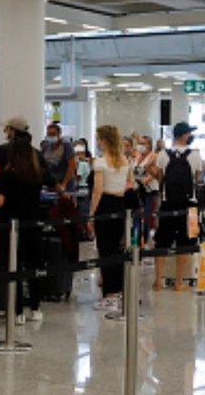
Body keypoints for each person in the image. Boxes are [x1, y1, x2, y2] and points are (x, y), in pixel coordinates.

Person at [0, 126, 51, 323]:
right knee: (34, 267)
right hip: (33, 224)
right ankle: (36, 308)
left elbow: (1, 201)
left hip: (11, 225)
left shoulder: (8, 175)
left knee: (14, 267)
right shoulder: (37, 173)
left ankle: (17, 312)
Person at [148, 122, 202, 292]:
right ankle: (179, 282)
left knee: (162, 242)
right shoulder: (195, 155)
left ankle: (158, 280)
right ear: (185, 135)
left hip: (167, 203)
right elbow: (197, 179)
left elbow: (159, 178)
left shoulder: (163, 154)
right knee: (185, 243)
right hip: (190, 206)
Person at [88, 124, 133, 312]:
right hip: (120, 204)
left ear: (104, 140)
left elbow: (98, 190)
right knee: (117, 249)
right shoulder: (124, 160)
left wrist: (91, 214)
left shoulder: (100, 162)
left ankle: (109, 295)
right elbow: (129, 184)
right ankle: (119, 291)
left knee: (105, 250)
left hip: (105, 205)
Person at [40, 123, 78, 200]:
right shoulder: (46, 147)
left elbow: (72, 166)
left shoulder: (66, 146)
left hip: (66, 184)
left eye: (53, 134)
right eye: (49, 134)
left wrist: (64, 184)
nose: (51, 136)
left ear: (59, 134)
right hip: (52, 184)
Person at [135, 136, 160, 249]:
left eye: (143, 143)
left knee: (146, 215)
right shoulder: (137, 156)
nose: (140, 145)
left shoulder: (153, 156)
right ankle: (136, 241)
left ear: (149, 145)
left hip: (149, 190)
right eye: (139, 143)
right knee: (136, 216)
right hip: (137, 189)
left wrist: (145, 180)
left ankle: (145, 240)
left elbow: (155, 173)